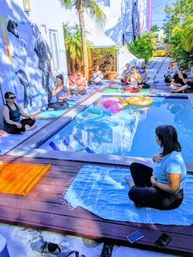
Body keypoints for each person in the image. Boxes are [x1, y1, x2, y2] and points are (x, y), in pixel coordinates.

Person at [125, 125, 186, 210]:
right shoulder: (166, 148)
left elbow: (173, 188)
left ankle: (139, 193)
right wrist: (154, 158)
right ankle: (143, 193)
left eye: (156, 136)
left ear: (163, 140)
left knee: (132, 192)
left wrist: (155, 182)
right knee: (135, 167)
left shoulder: (173, 163)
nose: (155, 137)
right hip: (158, 180)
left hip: (169, 198)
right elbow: (160, 162)